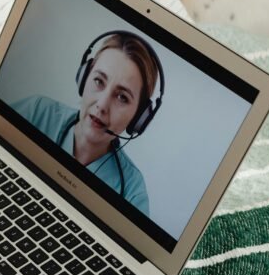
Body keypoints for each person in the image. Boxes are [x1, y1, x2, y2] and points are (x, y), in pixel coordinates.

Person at [10, 31, 163, 215]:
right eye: (99, 81)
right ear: (84, 77)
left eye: (122, 97)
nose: (102, 105)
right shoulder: (36, 112)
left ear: (139, 118)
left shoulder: (132, 191)